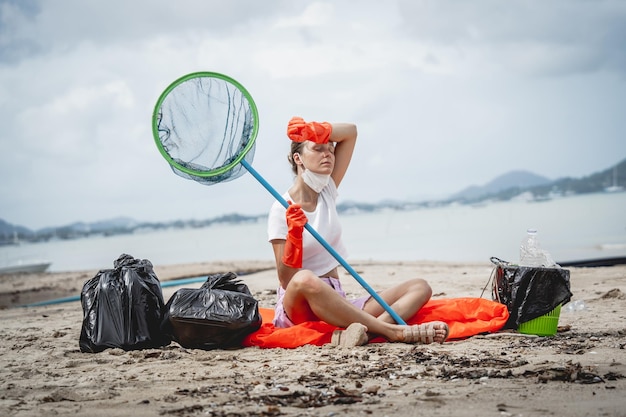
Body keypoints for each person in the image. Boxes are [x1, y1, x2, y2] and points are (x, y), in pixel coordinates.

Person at [267, 116, 449, 347]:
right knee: (306, 278)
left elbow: (350, 132)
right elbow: (286, 279)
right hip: (300, 303)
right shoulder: (280, 208)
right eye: (318, 148)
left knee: (420, 286)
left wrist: (318, 130)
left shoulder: (327, 191)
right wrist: (294, 235)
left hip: (335, 299)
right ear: (298, 158)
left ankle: (369, 333)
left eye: (330, 149)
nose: (328, 154)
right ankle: (393, 332)